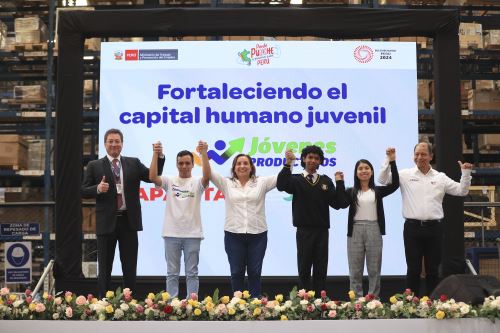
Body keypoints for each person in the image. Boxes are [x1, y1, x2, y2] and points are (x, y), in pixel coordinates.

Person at [378, 141, 472, 296]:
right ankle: (411, 304)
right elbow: (382, 180)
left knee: (433, 270)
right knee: (413, 269)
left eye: (423, 154)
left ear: (431, 156)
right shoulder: (404, 175)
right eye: (416, 154)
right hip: (412, 228)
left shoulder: (440, 177)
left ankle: (432, 303)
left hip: (434, 228)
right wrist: (388, 159)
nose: (419, 157)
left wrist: (465, 174)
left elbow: (461, 191)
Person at [81, 128, 165, 298]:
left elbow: (151, 176)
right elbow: (82, 190)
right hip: (106, 223)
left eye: (117, 141)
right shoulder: (94, 166)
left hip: (129, 221)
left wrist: (159, 157)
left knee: (129, 266)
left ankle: (130, 303)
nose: (114, 144)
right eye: (110, 141)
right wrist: (97, 188)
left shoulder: (133, 163)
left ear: (122, 144)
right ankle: (103, 302)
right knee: (105, 267)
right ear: (105, 144)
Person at [201, 148, 277, 298]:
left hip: (258, 234)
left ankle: (255, 304)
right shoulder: (226, 183)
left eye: (245, 163)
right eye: (239, 163)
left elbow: (281, 177)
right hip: (233, 234)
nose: (242, 166)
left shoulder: (261, 182)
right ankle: (238, 305)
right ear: (234, 168)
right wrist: (204, 154)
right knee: (236, 271)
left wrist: (289, 163)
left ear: (251, 167)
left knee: (255, 272)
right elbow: (209, 173)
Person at [277, 145, 345, 294]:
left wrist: (340, 183)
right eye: (310, 157)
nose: (313, 160)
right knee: (304, 269)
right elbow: (281, 185)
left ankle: (320, 303)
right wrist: (288, 164)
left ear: (320, 161)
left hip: (322, 232)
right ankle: (303, 303)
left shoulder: (326, 181)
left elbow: (338, 204)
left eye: (316, 158)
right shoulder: (295, 179)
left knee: (321, 269)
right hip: (303, 231)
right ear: (303, 159)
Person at [149, 141, 209, 299]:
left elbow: (207, 176)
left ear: (192, 165)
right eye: (181, 163)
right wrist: (155, 154)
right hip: (171, 233)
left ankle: (192, 304)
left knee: (192, 273)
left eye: (187, 163)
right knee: (172, 273)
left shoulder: (197, 182)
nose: (184, 166)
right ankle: (172, 305)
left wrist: (204, 154)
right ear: (176, 164)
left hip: (193, 234)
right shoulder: (169, 181)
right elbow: (152, 177)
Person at [337, 148, 399, 298]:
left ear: (371, 172)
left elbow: (395, 184)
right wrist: (340, 182)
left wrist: (392, 161)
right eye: (360, 168)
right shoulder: (351, 191)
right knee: (355, 270)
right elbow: (341, 203)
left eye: (367, 168)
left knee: (374, 269)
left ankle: (373, 299)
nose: (363, 171)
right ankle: (356, 300)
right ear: (356, 172)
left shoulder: (377, 191)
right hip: (355, 231)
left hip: (374, 229)